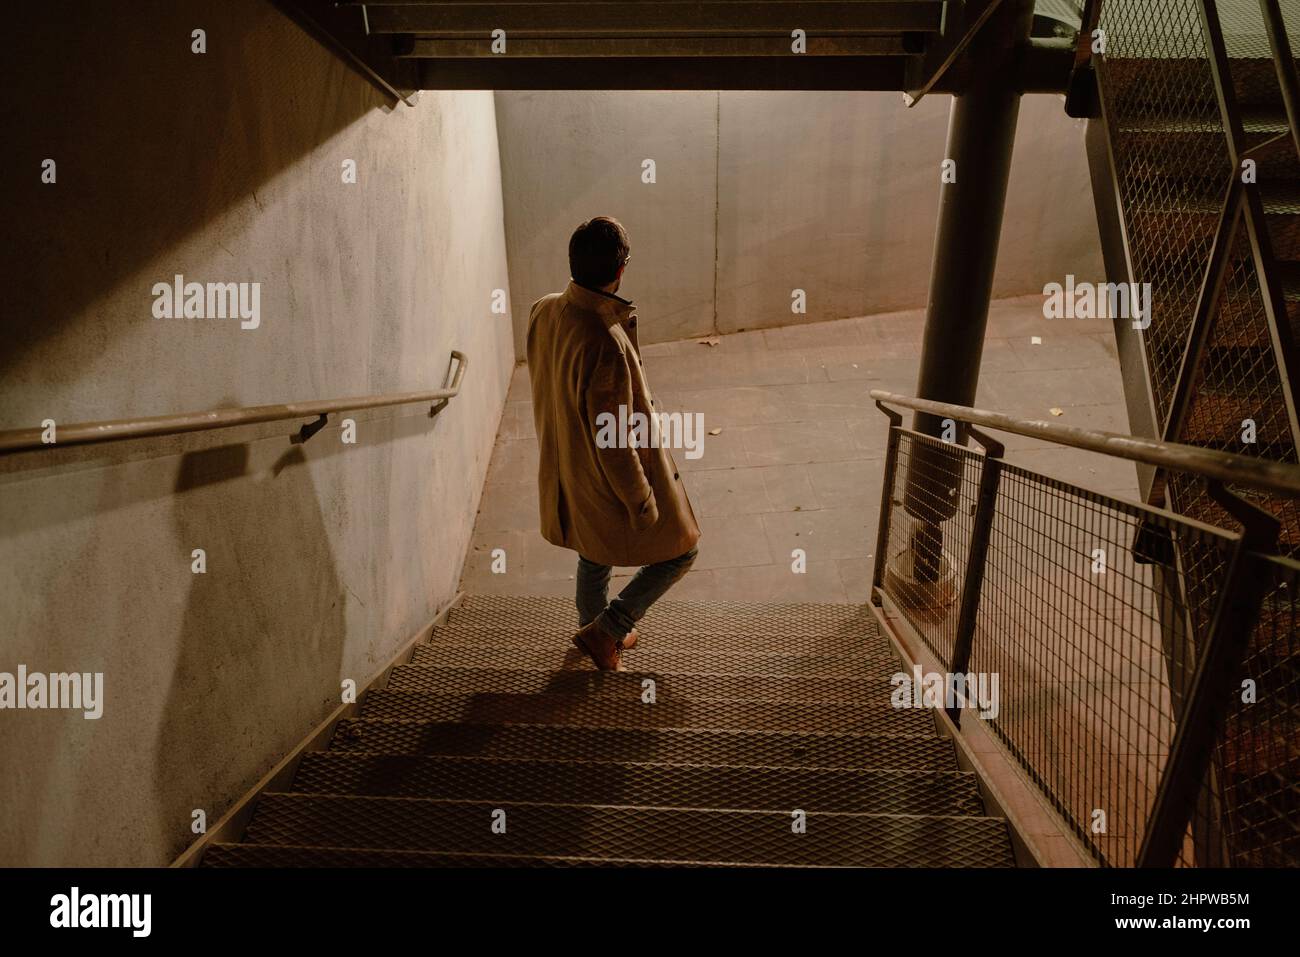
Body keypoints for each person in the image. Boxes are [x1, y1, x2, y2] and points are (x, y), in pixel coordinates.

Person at [526, 216, 701, 671]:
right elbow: (615, 441)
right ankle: (608, 629)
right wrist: (641, 501)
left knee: (592, 549)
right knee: (681, 552)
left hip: (568, 464)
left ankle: (595, 630)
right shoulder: (605, 340)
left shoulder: (544, 309)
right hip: (603, 475)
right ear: (621, 270)